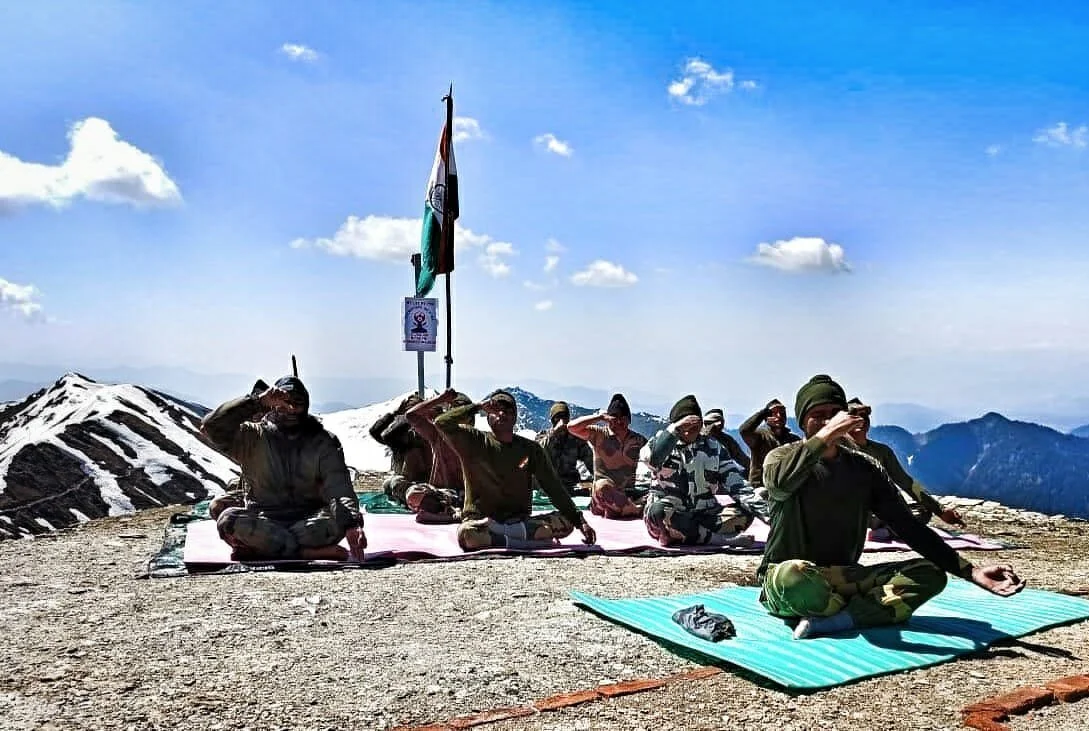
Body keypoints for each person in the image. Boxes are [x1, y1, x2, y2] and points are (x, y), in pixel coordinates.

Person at [760, 375, 1024, 640]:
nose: (828, 420)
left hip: (842, 577)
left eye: (834, 413)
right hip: (786, 576)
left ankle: (839, 617)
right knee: (794, 576)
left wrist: (972, 571)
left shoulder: (864, 469)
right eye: (818, 414)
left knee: (930, 573)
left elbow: (909, 527)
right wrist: (826, 435)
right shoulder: (781, 458)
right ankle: (858, 609)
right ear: (803, 420)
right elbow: (781, 484)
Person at [200, 376, 365, 562]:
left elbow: (338, 487)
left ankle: (263, 549)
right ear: (272, 405)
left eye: (298, 403)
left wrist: (351, 525)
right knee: (228, 521)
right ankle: (305, 553)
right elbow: (211, 426)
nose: (292, 409)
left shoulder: (323, 441)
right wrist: (256, 401)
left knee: (343, 519)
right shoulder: (252, 437)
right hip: (265, 520)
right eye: (284, 403)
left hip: (309, 521)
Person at [434, 389, 597, 551]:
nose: (501, 414)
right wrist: (477, 406)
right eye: (495, 410)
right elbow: (441, 422)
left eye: (507, 411)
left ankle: (505, 537)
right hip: (482, 522)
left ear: (515, 417)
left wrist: (579, 520)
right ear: (488, 417)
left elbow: (553, 487)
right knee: (466, 535)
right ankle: (524, 541)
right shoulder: (474, 440)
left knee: (566, 523)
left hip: (519, 521)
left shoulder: (531, 449)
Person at [640, 395, 757, 547]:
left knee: (747, 509)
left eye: (694, 427)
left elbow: (738, 485)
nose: (689, 432)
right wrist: (675, 430)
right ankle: (719, 540)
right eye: (685, 428)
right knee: (659, 512)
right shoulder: (659, 442)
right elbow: (652, 460)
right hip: (671, 513)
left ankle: (693, 534)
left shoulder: (714, 448)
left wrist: (768, 516)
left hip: (705, 514)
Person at [847, 397, 966, 538]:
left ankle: (886, 530)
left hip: (880, 510)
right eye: (855, 416)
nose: (862, 420)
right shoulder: (837, 449)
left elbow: (907, 482)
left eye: (865, 416)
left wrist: (940, 510)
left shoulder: (882, 451)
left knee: (923, 511)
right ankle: (891, 530)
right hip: (852, 510)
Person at [567, 393, 648, 519]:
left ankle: (627, 508)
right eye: (615, 417)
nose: (619, 421)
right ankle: (634, 510)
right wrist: (598, 417)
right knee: (602, 486)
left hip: (628, 495)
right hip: (604, 496)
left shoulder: (637, 440)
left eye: (623, 417)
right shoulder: (599, 434)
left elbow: (655, 456)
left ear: (629, 420)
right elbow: (572, 427)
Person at [401, 389, 474, 523]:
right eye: (454, 413)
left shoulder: (479, 440)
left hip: (470, 496)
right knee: (413, 494)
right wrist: (441, 399)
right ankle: (451, 512)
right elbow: (411, 415)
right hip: (442, 494)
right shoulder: (438, 435)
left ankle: (452, 513)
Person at [369, 393, 432, 506]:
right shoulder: (401, 437)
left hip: (422, 482)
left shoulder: (422, 432)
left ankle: (424, 499)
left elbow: (389, 435)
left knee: (396, 483)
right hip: (407, 480)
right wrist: (394, 414)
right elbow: (375, 431)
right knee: (388, 484)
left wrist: (410, 415)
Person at [739, 398, 801, 488]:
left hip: (786, 488)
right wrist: (763, 413)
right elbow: (744, 431)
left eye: (782, 413)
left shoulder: (793, 439)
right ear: (766, 417)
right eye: (774, 413)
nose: (779, 416)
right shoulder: (760, 436)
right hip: (761, 488)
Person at [536, 401, 595, 495]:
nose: (561, 421)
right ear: (552, 420)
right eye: (557, 417)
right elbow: (537, 450)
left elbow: (591, 462)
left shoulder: (576, 439)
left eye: (564, 417)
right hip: (547, 484)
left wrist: (600, 479)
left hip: (570, 484)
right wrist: (554, 433)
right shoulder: (543, 436)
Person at [702, 408, 751, 473]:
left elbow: (741, 458)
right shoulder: (698, 438)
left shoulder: (726, 439)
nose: (717, 426)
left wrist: (755, 468)